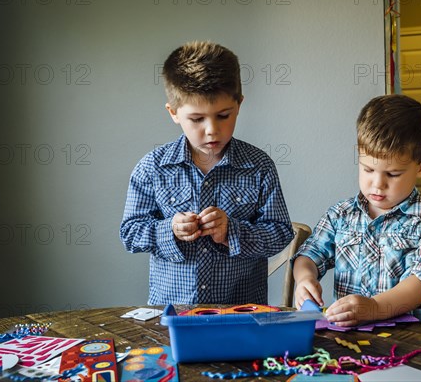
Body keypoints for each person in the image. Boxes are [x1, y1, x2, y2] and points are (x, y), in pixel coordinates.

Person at [120, 41, 293, 305]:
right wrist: (170, 230)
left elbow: (280, 232)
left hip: (242, 312)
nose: (212, 130)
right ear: (174, 113)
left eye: (223, 115)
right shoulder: (152, 167)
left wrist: (232, 232)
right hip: (173, 314)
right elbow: (130, 233)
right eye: (197, 119)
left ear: (239, 104)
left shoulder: (259, 166)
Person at [293, 94, 421, 325]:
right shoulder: (341, 214)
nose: (378, 184)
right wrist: (305, 279)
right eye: (368, 169)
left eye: (393, 174)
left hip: (415, 340)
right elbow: (309, 254)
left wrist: (375, 308)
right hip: (352, 339)